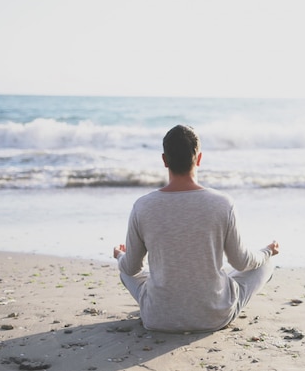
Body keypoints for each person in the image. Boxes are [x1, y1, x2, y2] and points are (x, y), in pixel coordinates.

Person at [113, 124, 279, 333]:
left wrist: (120, 256)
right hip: (213, 317)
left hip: (158, 317)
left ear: (164, 160)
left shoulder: (143, 206)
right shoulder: (223, 203)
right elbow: (242, 262)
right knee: (266, 263)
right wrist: (267, 251)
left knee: (125, 269)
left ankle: (166, 302)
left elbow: (131, 269)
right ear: (199, 158)